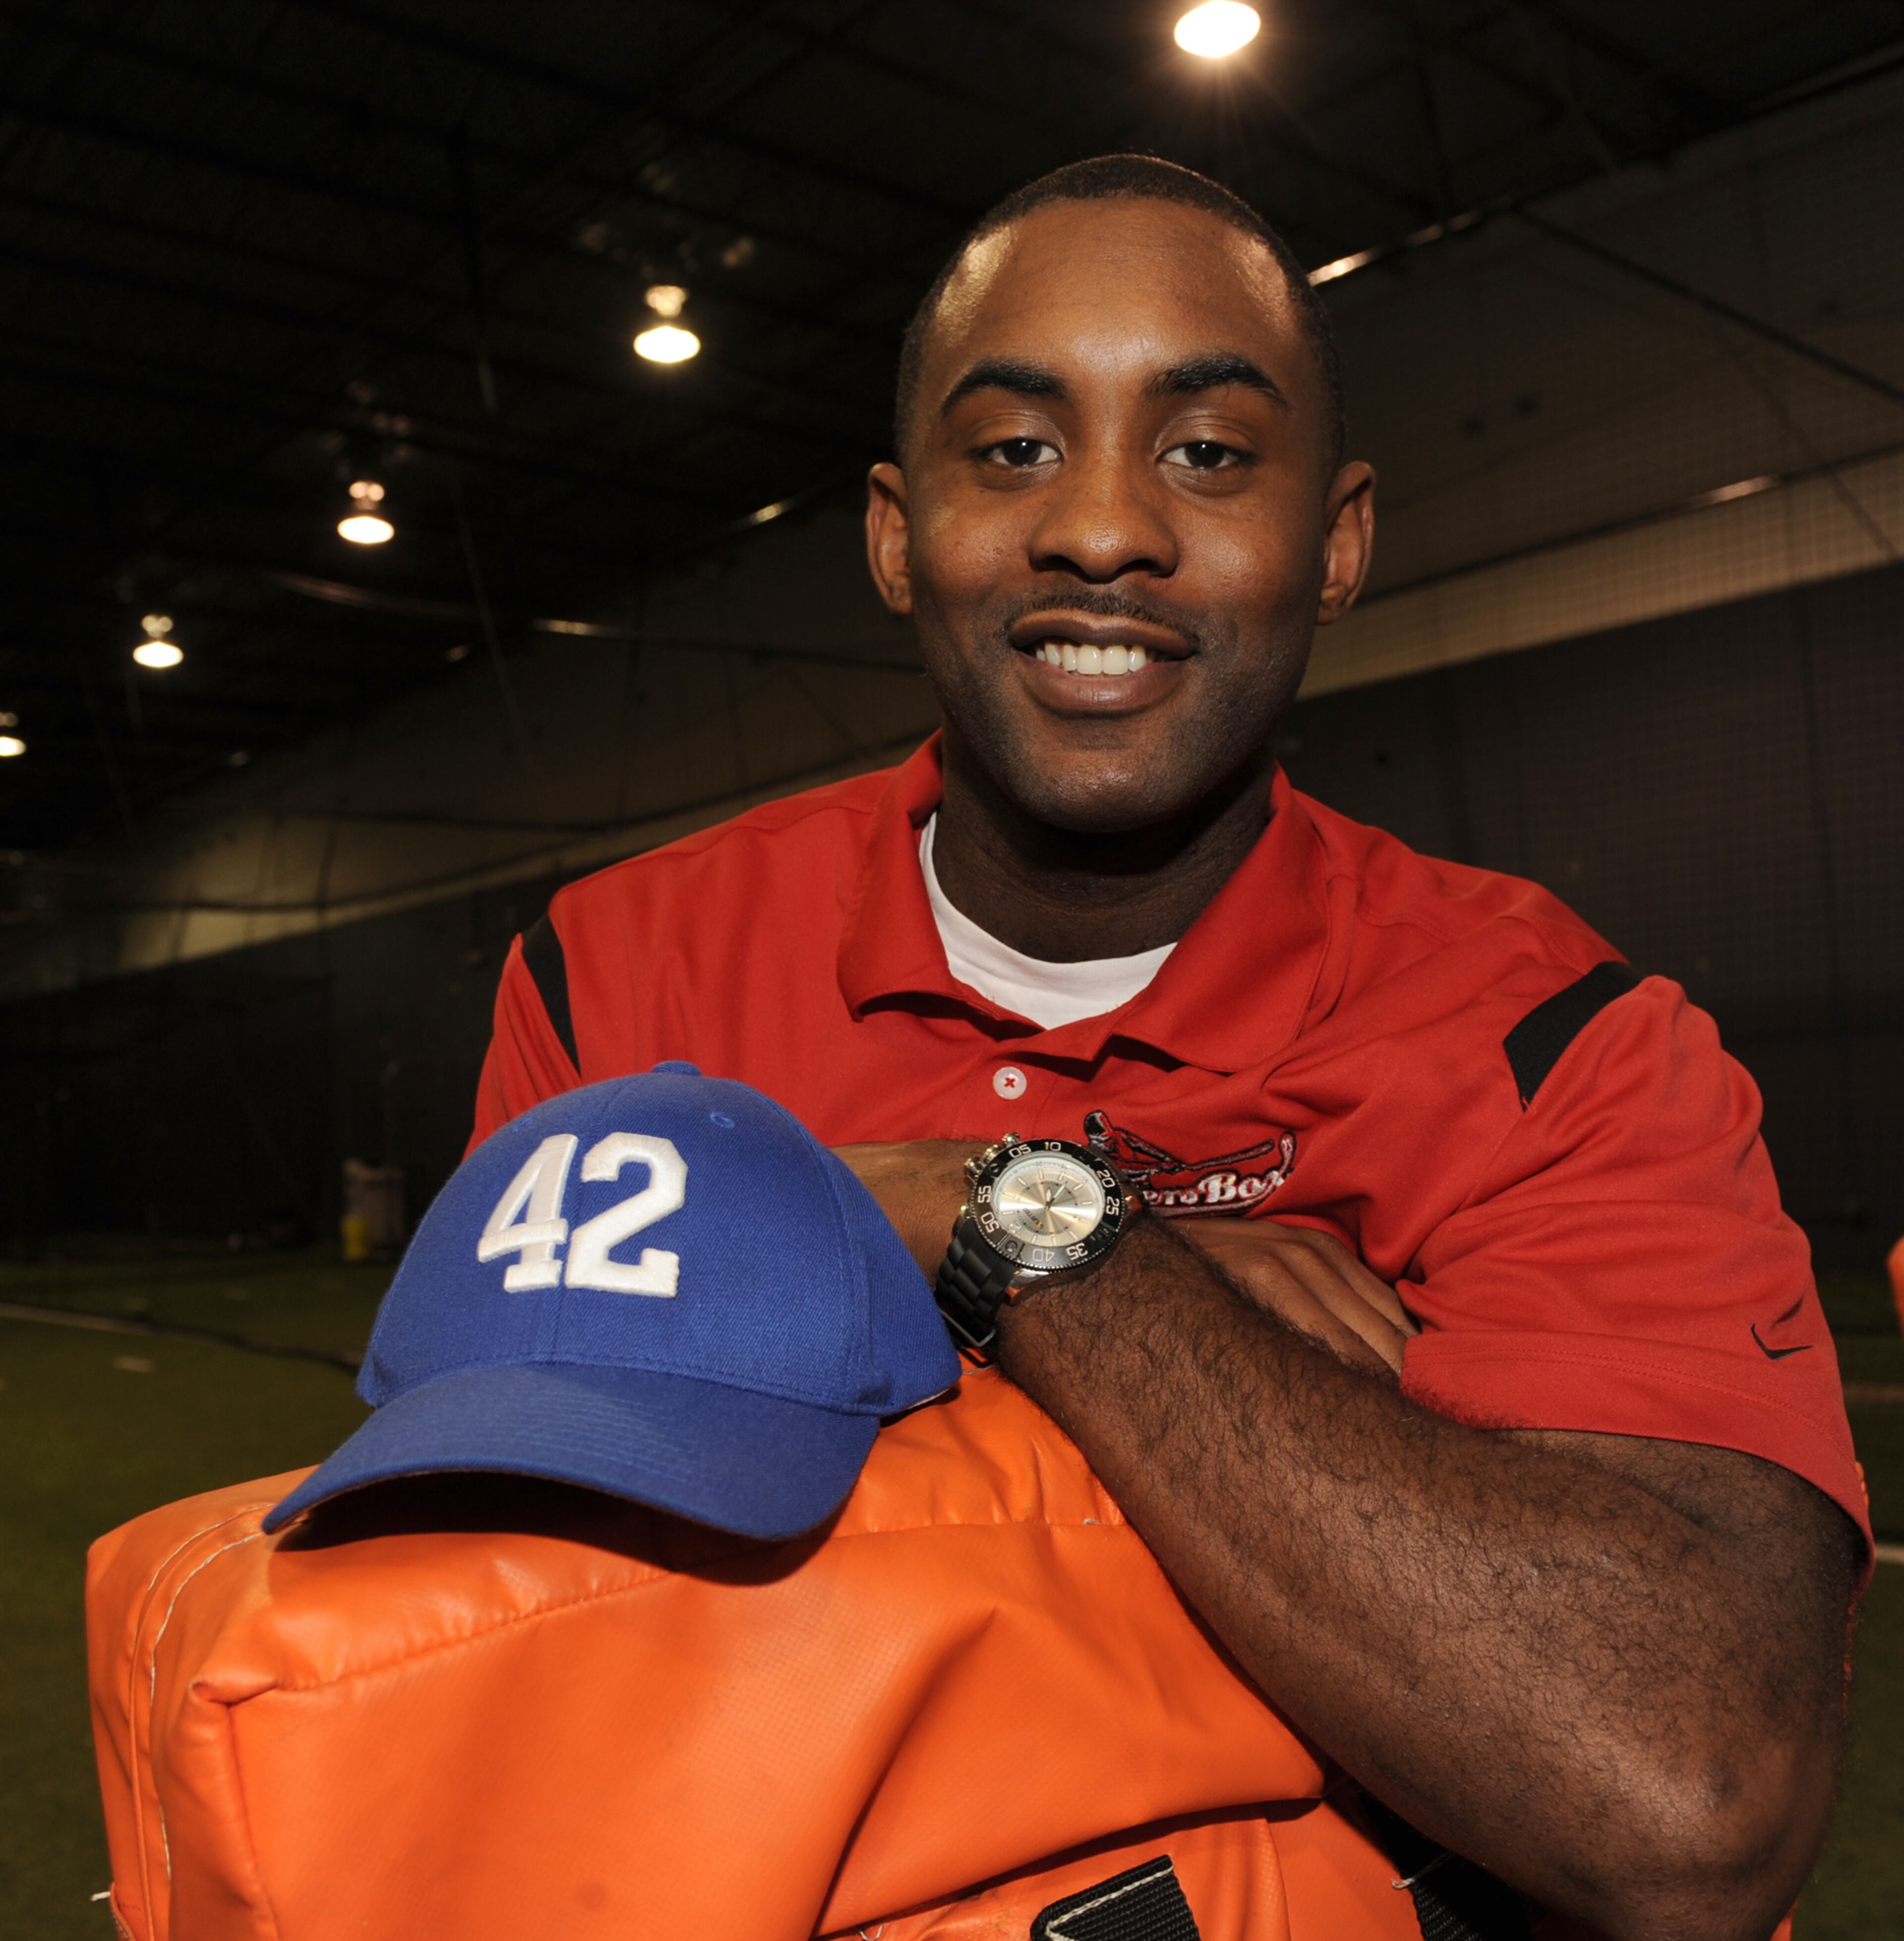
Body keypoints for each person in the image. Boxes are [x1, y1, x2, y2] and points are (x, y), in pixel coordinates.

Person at [472, 156, 1866, 1941]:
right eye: (1016, 448)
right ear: (899, 535)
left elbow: (1687, 1798)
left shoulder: (1560, 1044)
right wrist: (986, 1216)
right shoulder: (616, 971)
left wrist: (1046, 1252)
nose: (1106, 528)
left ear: (1340, 541)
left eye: (1207, 450)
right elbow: (509, 1552)